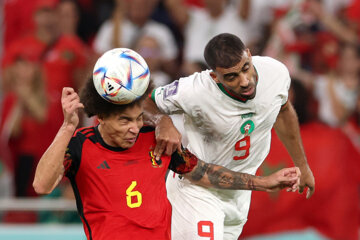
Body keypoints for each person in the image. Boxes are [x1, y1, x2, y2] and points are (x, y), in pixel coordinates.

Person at [32, 53, 300, 239]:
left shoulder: (156, 141)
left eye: (138, 119)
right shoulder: (80, 145)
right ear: (100, 117)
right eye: (124, 121)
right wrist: (68, 128)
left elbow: (205, 174)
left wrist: (264, 183)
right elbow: (42, 186)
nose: (134, 128)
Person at [144, 33, 315, 239]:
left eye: (245, 68)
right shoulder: (195, 90)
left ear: (249, 56)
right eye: (231, 77)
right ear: (215, 76)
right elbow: (146, 100)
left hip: (239, 195)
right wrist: (162, 121)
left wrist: (303, 166)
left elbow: (283, 111)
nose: (244, 81)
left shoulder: (275, 72)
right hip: (197, 190)